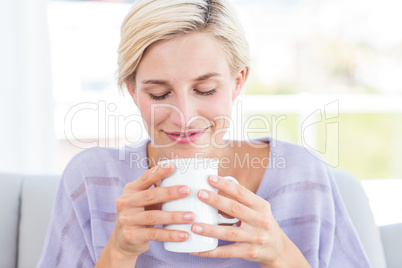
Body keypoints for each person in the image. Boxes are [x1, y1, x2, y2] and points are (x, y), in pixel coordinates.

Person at [37, 0, 371, 267]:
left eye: (206, 89)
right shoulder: (92, 179)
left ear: (237, 82)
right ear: (132, 90)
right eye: (158, 94)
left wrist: (279, 252)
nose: (184, 117)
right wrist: (119, 254)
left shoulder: (300, 175)